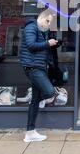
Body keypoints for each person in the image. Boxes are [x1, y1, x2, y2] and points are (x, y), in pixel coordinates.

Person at [20, 9, 58, 142]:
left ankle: (30, 133)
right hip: (33, 67)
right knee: (49, 92)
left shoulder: (40, 31)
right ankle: (34, 99)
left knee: (36, 101)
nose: (48, 24)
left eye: (50, 22)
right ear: (41, 18)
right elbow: (31, 45)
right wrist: (48, 43)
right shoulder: (31, 27)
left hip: (38, 67)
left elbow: (39, 48)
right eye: (47, 21)